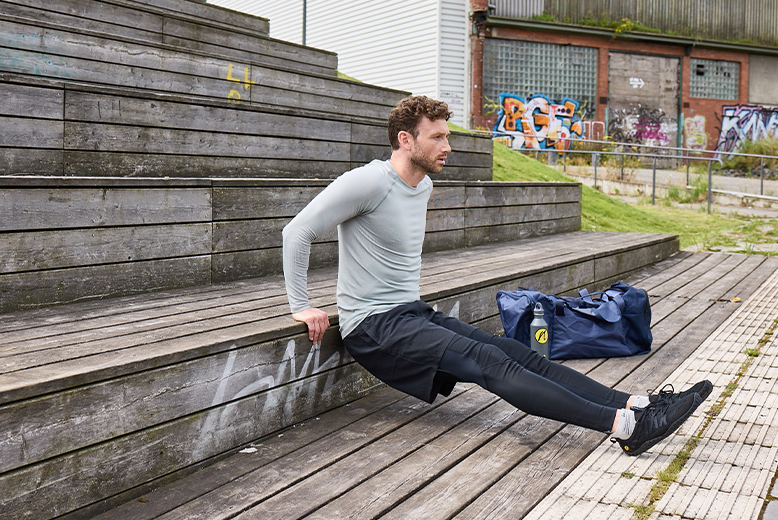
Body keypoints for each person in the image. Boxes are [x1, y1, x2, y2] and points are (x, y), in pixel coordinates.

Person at [282, 95, 712, 456]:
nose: (447, 145)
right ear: (405, 139)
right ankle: (627, 428)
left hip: (408, 313)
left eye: (447, 135)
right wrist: (301, 305)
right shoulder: (368, 182)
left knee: (516, 351)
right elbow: (297, 230)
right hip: (374, 328)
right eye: (438, 137)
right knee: (489, 363)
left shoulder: (423, 185)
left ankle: (639, 404)